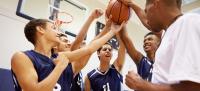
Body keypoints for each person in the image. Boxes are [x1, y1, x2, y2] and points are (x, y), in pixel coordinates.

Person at [11, 11, 126, 91]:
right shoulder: (22, 57)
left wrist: (111, 31)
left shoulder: (63, 57)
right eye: (53, 28)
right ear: (40, 29)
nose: (57, 31)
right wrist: (59, 67)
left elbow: (90, 48)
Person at [124, 0, 200, 91]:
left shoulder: (187, 23)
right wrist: (131, 4)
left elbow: (194, 88)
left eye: (146, 11)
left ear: (156, 4)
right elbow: (147, 21)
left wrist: (141, 85)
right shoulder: (169, 31)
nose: (147, 18)